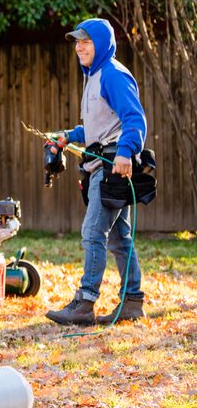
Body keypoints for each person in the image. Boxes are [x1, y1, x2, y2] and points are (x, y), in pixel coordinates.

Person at [44, 17, 147, 326]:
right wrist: (69, 135)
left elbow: (134, 119)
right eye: (77, 42)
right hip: (103, 165)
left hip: (112, 168)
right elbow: (98, 126)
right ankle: (132, 301)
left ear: (101, 45)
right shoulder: (94, 76)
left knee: (93, 234)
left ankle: (85, 303)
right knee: (119, 239)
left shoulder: (113, 75)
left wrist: (127, 152)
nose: (79, 47)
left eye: (85, 42)